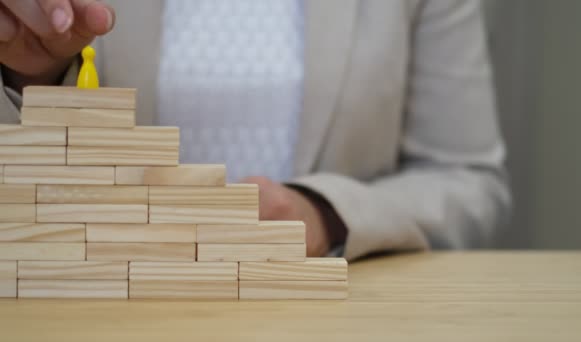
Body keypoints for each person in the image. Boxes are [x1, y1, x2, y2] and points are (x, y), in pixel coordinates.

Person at [0, 0, 510, 260]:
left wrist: (327, 214)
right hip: (109, 311)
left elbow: (469, 181)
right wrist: (32, 76)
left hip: (339, 321)